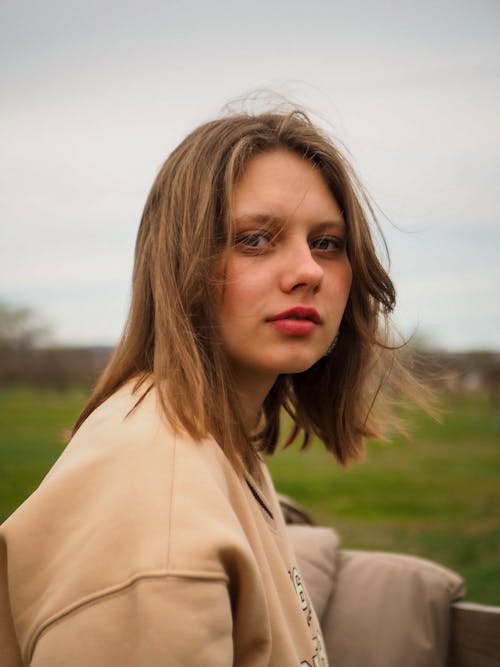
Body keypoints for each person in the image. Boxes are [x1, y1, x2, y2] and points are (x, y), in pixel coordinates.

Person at [0, 109, 422, 666]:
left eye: (326, 243)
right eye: (253, 239)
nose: (308, 270)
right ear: (179, 263)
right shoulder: (162, 506)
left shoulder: (214, 434)